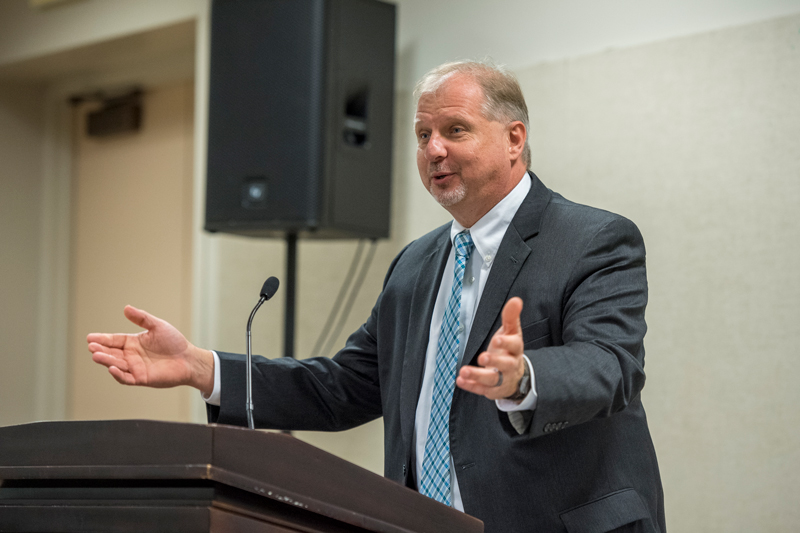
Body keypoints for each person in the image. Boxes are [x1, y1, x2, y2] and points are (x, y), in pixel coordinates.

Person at [89, 60, 665, 533]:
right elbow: (344, 388)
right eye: (422, 136)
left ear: (514, 139)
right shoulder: (416, 264)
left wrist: (525, 377)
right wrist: (200, 367)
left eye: (454, 130)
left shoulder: (593, 238)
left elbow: (610, 365)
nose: (433, 150)